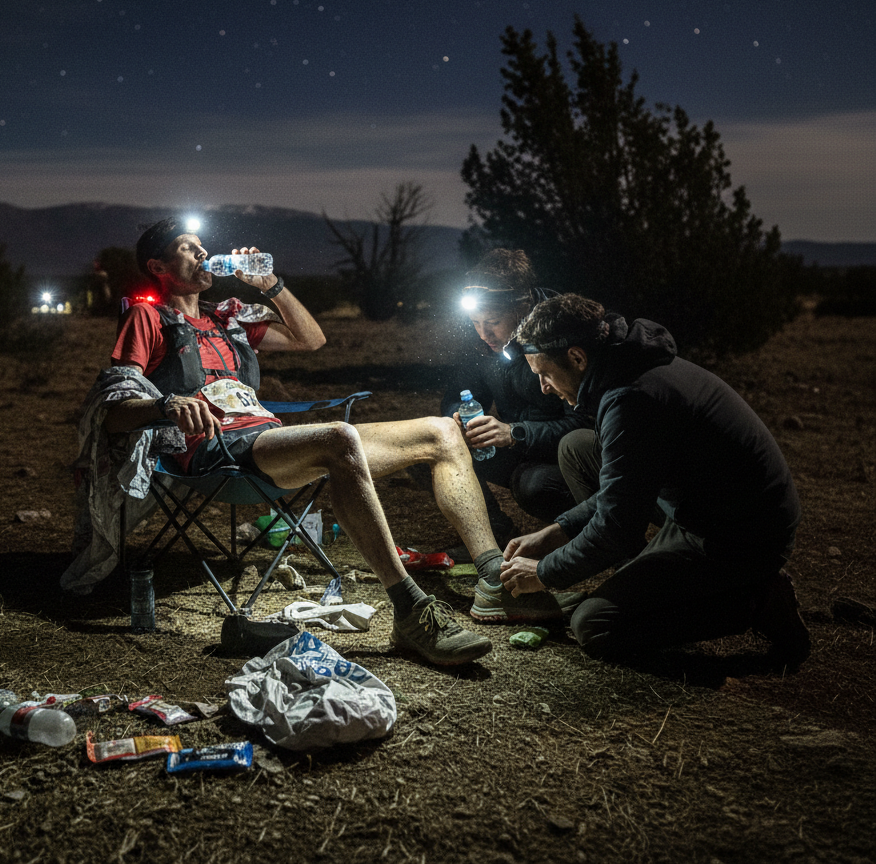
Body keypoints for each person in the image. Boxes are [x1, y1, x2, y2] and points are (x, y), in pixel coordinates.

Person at [77, 218, 566, 664]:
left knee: (442, 431)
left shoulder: (227, 318)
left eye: (203, 245)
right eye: (188, 248)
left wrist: (271, 285)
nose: (203, 254)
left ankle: (489, 578)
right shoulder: (148, 318)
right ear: (158, 266)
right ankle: (410, 610)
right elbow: (114, 409)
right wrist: (165, 406)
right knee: (338, 438)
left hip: (269, 440)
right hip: (213, 450)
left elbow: (312, 340)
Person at [499, 293, 811, 668]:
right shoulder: (627, 365)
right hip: (706, 505)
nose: (544, 387)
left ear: (577, 357)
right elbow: (625, 486)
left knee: (595, 625)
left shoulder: (632, 397)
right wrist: (556, 532)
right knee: (579, 448)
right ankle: (646, 580)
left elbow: (618, 523)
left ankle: (755, 601)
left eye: (545, 373)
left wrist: (545, 572)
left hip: (738, 535)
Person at [440, 249, 586, 555]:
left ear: (523, 307)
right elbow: (459, 393)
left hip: (564, 456)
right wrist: (457, 418)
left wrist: (515, 432)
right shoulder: (485, 343)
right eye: (475, 322)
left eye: (492, 321)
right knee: (434, 447)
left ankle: (580, 534)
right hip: (515, 447)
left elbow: (585, 426)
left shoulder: (557, 336)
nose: (483, 334)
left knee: (532, 486)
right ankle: (493, 535)